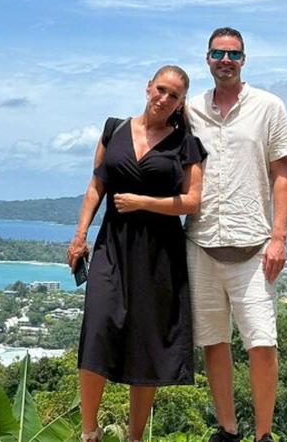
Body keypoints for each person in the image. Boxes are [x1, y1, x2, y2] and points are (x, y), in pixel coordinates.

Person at [67, 65, 207, 442]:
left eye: (173, 95)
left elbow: (192, 201)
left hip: (159, 254)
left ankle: (135, 437)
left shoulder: (185, 144)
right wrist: (79, 236)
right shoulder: (113, 129)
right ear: (148, 87)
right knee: (97, 329)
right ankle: (89, 432)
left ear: (180, 102)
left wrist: (144, 202)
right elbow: (96, 185)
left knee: (147, 342)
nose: (164, 98)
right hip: (111, 245)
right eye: (161, 89)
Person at [185, 27, 287, 442]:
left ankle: (264, 434)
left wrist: (279, 237)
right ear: (207, 59)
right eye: (218, 54)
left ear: (244, 60)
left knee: (262, 343)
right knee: (213, 343)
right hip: (201, 242)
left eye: (233, 54)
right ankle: (228, 430)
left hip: (254, 245)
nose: (225, 61)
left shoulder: (269, 106)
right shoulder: (191, 110)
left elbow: (281, 175)